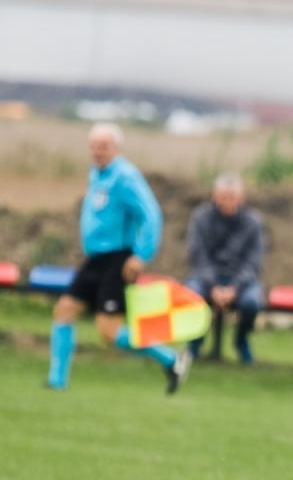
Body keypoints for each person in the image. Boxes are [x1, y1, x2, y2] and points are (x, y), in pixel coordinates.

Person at [45, 122, 190, 393]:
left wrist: (141, 255)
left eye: (104, 146)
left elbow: (151, 215)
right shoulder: (96, 174)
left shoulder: (125, 176)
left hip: (118, 260)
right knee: (64, 310)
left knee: (108, 331)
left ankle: (171, 359)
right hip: (96, 258)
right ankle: (57, 381)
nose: (98, 152)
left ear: (116, 148)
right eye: (94, 146)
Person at [185, 172, 267, 364]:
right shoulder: (200, 218)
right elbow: (198, 256)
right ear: (214, 197)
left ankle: (241, 341)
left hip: (241, 281)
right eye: (223, 197)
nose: (227, 202)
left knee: (252, 302)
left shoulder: (253, 223)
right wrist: (213, 286)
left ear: (241, 199)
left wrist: (234, 288)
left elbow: (253, 262)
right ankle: (195, 342)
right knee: (192, 295)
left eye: (232, 197)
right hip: (206, 278)